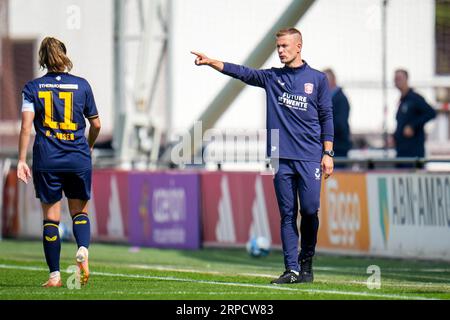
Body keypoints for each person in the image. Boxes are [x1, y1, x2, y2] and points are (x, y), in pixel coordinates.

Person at [192, 27, 334, 284]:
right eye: (278, 47)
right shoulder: (271, 78)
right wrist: (213, 62)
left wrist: (328, 153)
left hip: (310, 156)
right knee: (288, 213)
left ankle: (306, 260)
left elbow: (327, 117)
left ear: (299, 46)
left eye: (284, 46)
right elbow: (243, 73)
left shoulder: (318, 79)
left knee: (311, 210)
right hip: (280, 157)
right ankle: (291, 270)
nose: (280, 51)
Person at [17, 37, 101, 287]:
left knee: (51, 219)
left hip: (48, 159)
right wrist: (89, 146)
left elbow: (25, 125)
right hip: (77, 157)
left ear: (42, 58)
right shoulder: (82, 85)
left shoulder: (32, 88)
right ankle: (83, 248)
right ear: (64, 56)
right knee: (79, 212)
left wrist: (22, 159)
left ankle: (54, 276)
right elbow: (96, 124)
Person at [393, 69, 436, 168]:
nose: (396, 81)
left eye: (399, 78)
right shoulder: (402, 101)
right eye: (395, 79)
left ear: (407, 79)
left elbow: (431, 113)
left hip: (413, 153)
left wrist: (413, 126)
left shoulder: (415, 98)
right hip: (401, 151)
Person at [324, 68, 352, 163]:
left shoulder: (340, 99)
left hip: (338, 147)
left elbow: (340, 124)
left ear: (333, 80)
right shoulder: (327, 99)